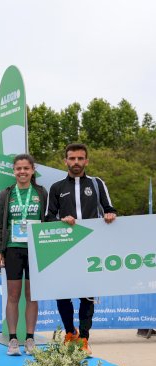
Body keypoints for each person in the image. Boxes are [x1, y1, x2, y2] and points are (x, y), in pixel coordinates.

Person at [45, 143, 117, 355]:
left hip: (91, 249)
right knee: (62, 294)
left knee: (88, 296)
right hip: (65, 250)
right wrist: (61, 220)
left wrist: (110, 215)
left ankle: (84, 338)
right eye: (72, 158)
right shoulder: (56, 187)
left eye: (80, 158)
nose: (76, 162)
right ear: (65, 161)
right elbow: (49, 217)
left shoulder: (97, 183)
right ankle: (70, 332)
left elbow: (110, 209)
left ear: (86, 161)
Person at [0, 154, 48, 356]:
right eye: (19, 168)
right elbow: (0, 224)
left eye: (26, 168)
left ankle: (30, 339)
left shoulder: (41, 192)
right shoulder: (6, 194)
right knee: (13, 295)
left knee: (32, 295)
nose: (22, 172)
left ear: (33, 170)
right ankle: (13, 340)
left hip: (35, 249)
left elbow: (48, 220)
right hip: (13, 248)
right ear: (13, 171)